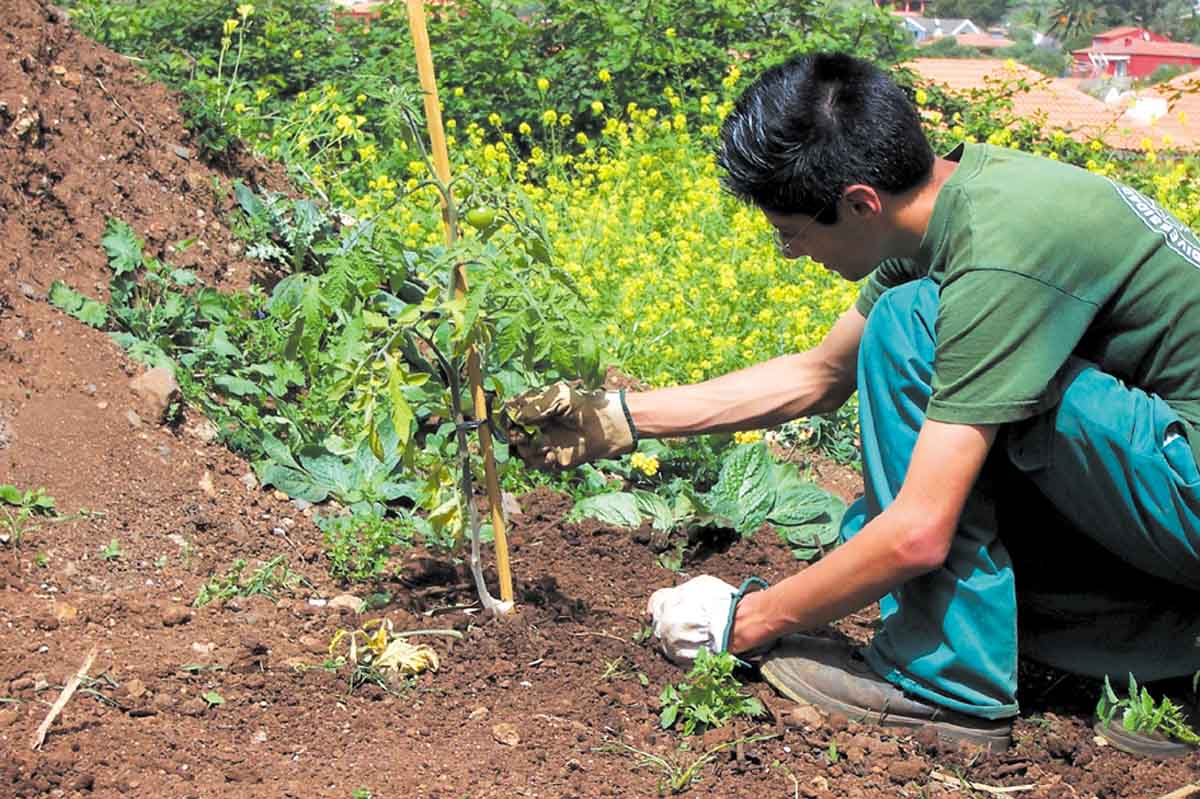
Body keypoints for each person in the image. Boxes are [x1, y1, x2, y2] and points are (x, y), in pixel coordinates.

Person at [507, 52, 1200, 756]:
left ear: (860, 202)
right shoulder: (949, 200)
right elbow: (818, 375)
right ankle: (1164, 646)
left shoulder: (998, 255)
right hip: (1169, 483)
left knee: (910, 337)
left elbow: (920, 531)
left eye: (792, 231)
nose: (787, 253)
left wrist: (746, 622)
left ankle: (948, 689)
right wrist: (617, 418)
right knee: (897, 432)